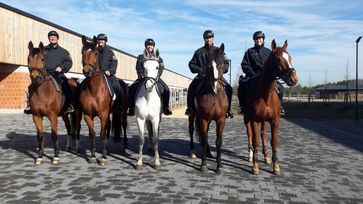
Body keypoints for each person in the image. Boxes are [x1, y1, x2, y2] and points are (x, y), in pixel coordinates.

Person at [185, 30, 234, 118]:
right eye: (206, 38)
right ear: (204, 39)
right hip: (202, 76)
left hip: (216, 76)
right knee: (192, 87)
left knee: (229, 88)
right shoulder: (198, 52)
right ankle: (190, 109)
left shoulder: (218, 51)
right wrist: (199, 70)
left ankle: (228, 110)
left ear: (213, 38)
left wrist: (221, 71)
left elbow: (226, 63)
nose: (208, 40)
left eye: (210, 38)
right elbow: (191, 64)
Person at [24, 30, 74, 114]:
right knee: (31, 87)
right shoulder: (43, 50)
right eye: (51, 36)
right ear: (49, 38)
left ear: (58, 38)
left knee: (66, 85)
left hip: (58, 74)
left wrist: (61, 67)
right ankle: (30, 105)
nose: (53, 38)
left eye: (54, 36)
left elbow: (69, 62)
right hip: (45, 74)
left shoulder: (64, 52)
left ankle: (69, 105)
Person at [239, 31, 285, 115]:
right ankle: (243, 107)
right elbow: (244, 64)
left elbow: (274, 64)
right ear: (254, 40)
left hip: (267, 76)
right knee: (242, 85)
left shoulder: (268, 52)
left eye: (260, 38)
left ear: (263, 40)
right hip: (253, 75)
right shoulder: (249, 51)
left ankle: (280, 106)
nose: (258, 40)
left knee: (281, 88)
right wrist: (251, 73)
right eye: (256, 39)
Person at [128, 38, 173, 116]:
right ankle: (131, 108)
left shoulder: (159, 57)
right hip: (143, 78)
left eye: (151, 45)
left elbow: (161, 67)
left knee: (166, 89)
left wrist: (158, 75)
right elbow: (138, 67)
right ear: (145, 46)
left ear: (153, 46)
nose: (149, 47)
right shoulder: (140, 57)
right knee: (131, 88)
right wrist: (141, 75)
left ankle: (166, 108)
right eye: (148, 45)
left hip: (155, 78)